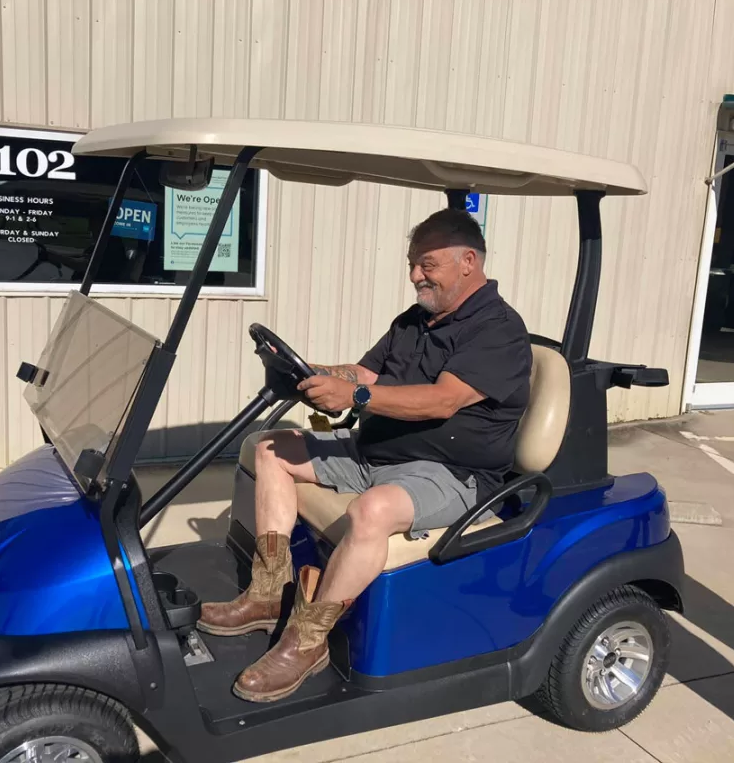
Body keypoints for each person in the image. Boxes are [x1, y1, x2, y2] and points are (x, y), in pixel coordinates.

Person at [198, 208, 532, 703]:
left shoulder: (498, 330)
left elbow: (442, 399)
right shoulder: (416, 321)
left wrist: (352, 398)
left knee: (372, 509)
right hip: (381, 452)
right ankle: (268, 594)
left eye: (427, 264)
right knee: (268, 447)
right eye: (412, 263)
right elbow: (367, 373)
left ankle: (308, 642)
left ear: (468, 261)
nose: (416, 275)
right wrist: (315, 372)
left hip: (454, 473)